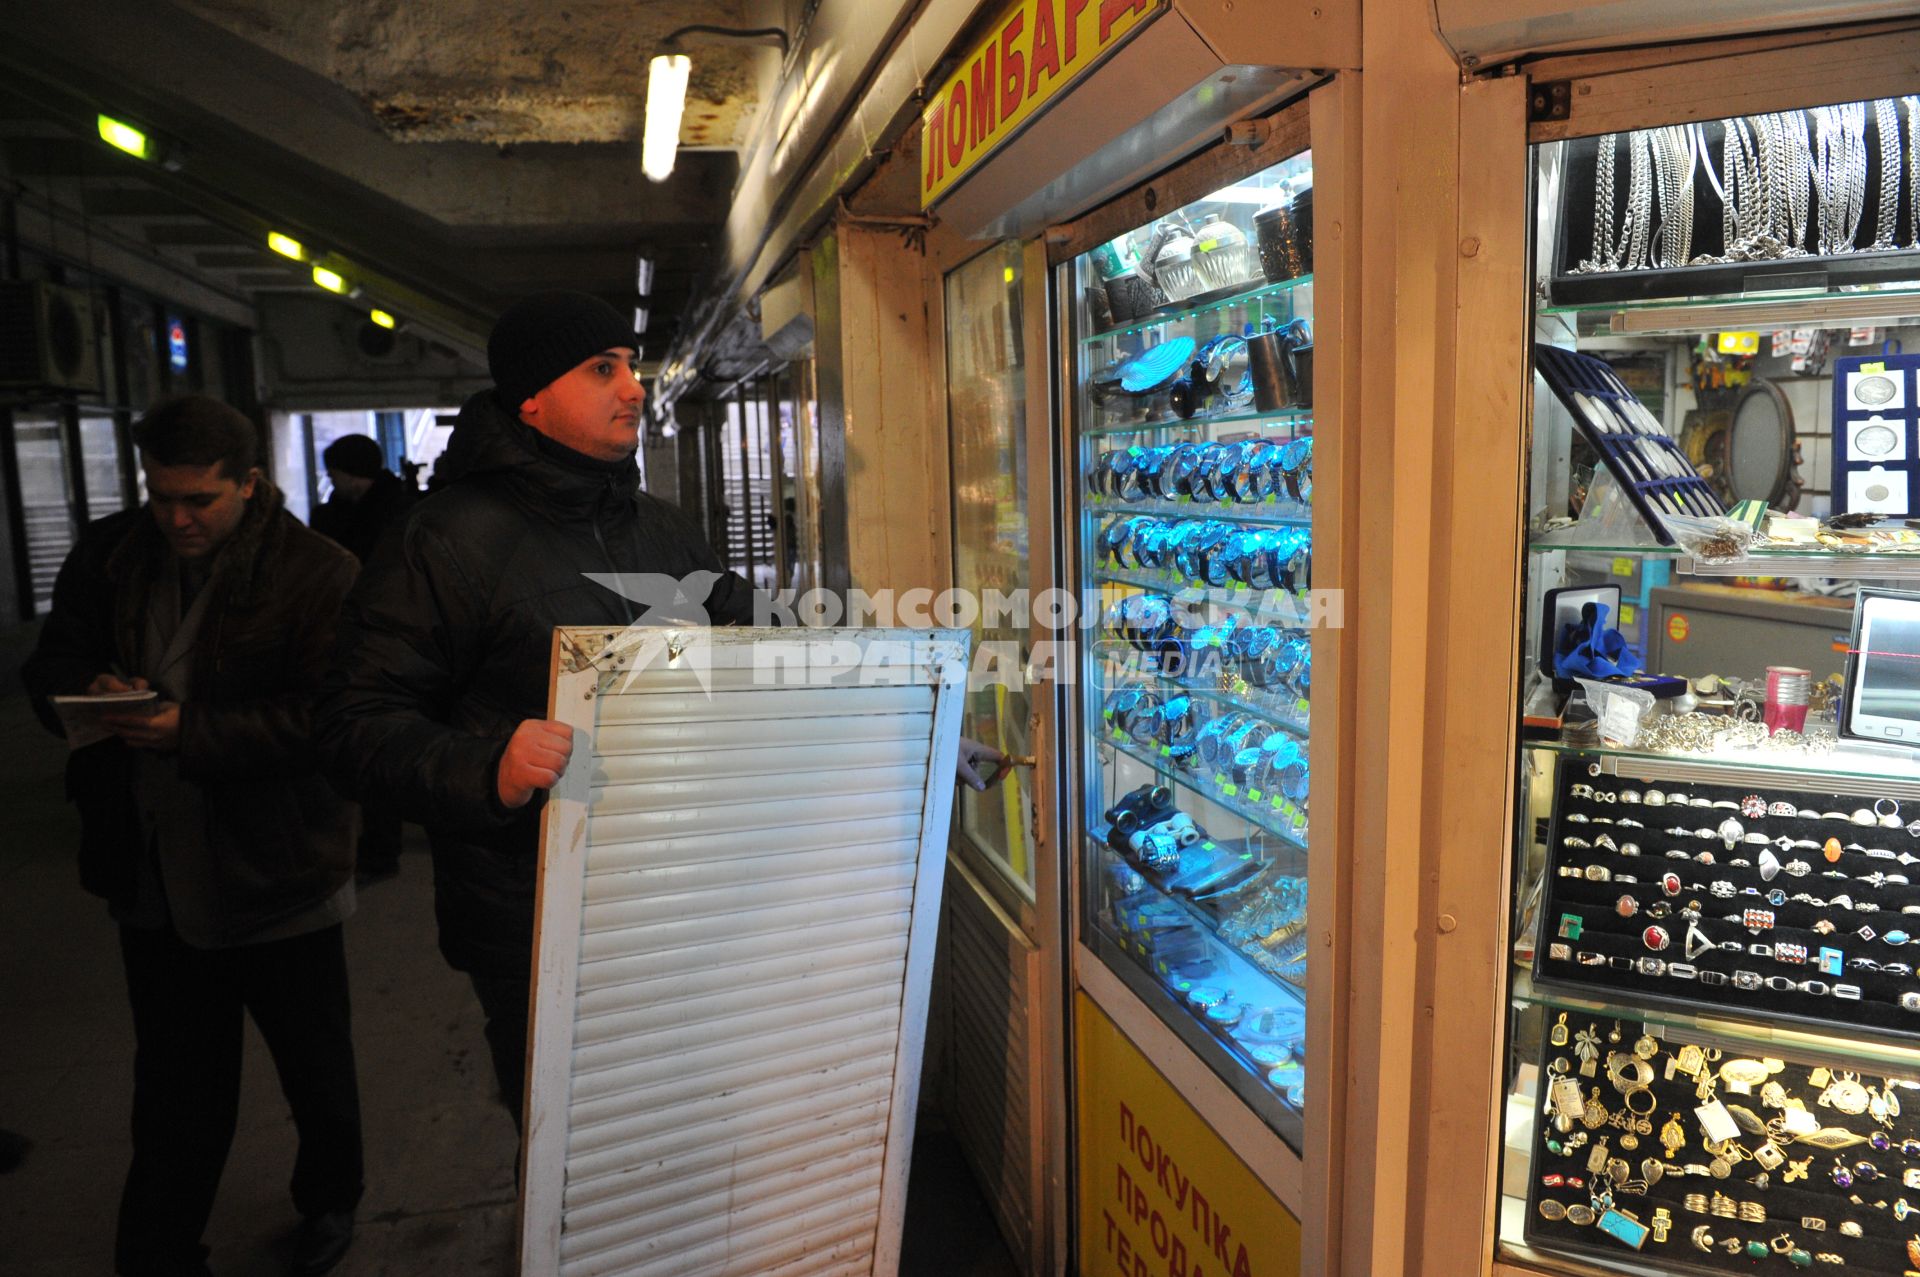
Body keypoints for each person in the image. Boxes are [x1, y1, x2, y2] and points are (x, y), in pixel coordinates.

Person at [316, 291, 1004, 1127]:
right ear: (533, 398)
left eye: (631, 368)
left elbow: (775, 654)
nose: (635, 388)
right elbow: (352, 725)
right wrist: (485, 765)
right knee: (575, 1159)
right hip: (534, 926)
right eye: (602, 369)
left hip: (683, 907)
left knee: (682, 1142)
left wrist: (915, 729)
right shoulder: (443, 539)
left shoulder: (661, 531)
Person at [22, 396, 364, 1277]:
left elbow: (334, 721)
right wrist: (84, 684)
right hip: (152, 872)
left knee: (315, 1071)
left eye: (198, 500)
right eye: (160, 496)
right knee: (175, 1088)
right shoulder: (110, 554)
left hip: (279, 866)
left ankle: (330, 1201)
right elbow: (49, 663)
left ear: (248, 484)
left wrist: (193, 732)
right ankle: (161, 1251)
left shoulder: (314, 572)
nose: (175, 517)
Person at [310, 433, 417, 883]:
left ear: (354, 472)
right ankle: (376, 848)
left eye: (336, 471)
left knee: (379, 743)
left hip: (388, 641)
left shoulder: (393, 512)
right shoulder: (369, 507)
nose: (331, 479)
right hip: (363, 639)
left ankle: (380, 851)